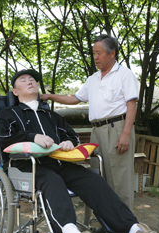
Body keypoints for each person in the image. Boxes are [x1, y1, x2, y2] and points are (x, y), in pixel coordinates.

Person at [0, 69, 159, 233]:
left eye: (33, 79)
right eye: (24, 80)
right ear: (15, 92)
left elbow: (73, 136)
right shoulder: (7, 114)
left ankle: (134, 231)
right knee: (53, 183)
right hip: (28, 166)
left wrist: (69, 141)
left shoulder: (51, 115)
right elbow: (4, 138)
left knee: (93, 180)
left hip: (60, 163)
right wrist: (32, 136)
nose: (30, 82)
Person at [41, 34, 138, 212]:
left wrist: (125, 133)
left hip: (117, 128)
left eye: (99, 52)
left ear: (112, 53)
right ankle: (107, 220)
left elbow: (131, 104)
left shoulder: (124, 75)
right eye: (93, 53)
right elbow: (74, 98)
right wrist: (49, 96)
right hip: (97, 131)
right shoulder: (93, 78)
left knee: (119, 177)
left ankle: (127, 226)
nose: (95, 57)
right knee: (99, 176)